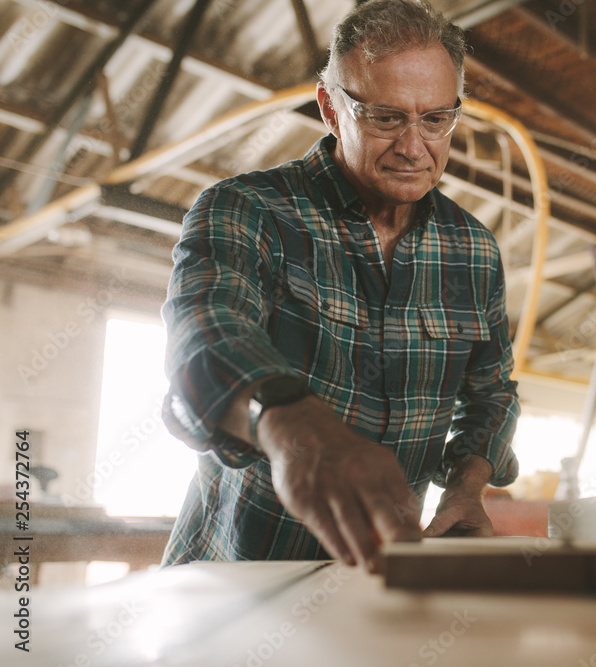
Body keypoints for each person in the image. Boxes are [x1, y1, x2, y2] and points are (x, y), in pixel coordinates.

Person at [159, 0, 519, 572]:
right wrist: (290, 421)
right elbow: (206, 333)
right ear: (330, 107)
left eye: (435, 119)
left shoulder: (473, 250)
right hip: (234, 577)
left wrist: (465, 488)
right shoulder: (248, 209)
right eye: (385, 117)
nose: (413, 147)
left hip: (375, 583)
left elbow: (492, 392)